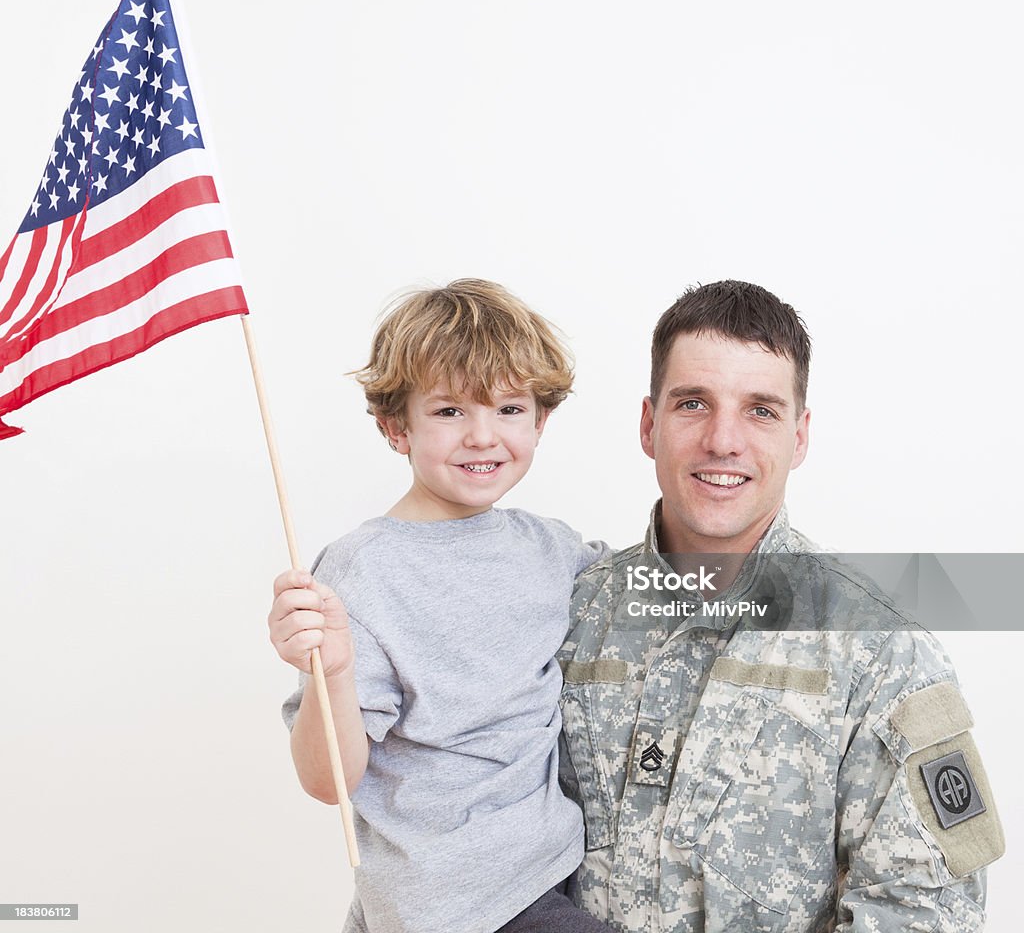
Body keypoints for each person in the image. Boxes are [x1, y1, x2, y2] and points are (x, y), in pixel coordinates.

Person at [557, 279, 1004, 932]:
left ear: (800, 436)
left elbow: (928, 911)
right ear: (650, 425)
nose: (723, 440)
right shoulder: (564, 615)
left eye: (761, 410)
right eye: (693, 404)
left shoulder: (880, 650)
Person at [268, 279, 615, 933]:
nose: (483, 436)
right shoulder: (363, 572)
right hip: (459, 905)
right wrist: (334, 672)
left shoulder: (551, 548)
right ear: (396, 426)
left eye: (510, 409)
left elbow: (662, 586)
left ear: (542, 420)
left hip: (549, 874)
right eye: (451, 411)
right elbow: (327, 781)